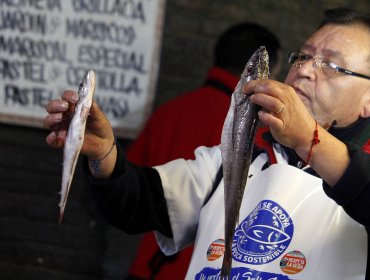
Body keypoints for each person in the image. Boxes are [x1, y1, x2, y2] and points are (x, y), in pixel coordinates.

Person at [44, 7, 370, 280]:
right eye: (303, 57)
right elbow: (140, 200)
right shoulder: (240, 163)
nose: (306, 71)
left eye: (331, 65)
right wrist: (103, 153)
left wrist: (308, 140)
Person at [124, 22, 281, 280]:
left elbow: (132, 184)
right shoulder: (256, 131)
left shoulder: (170, 111)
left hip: (146, 267)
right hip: (202, 269)